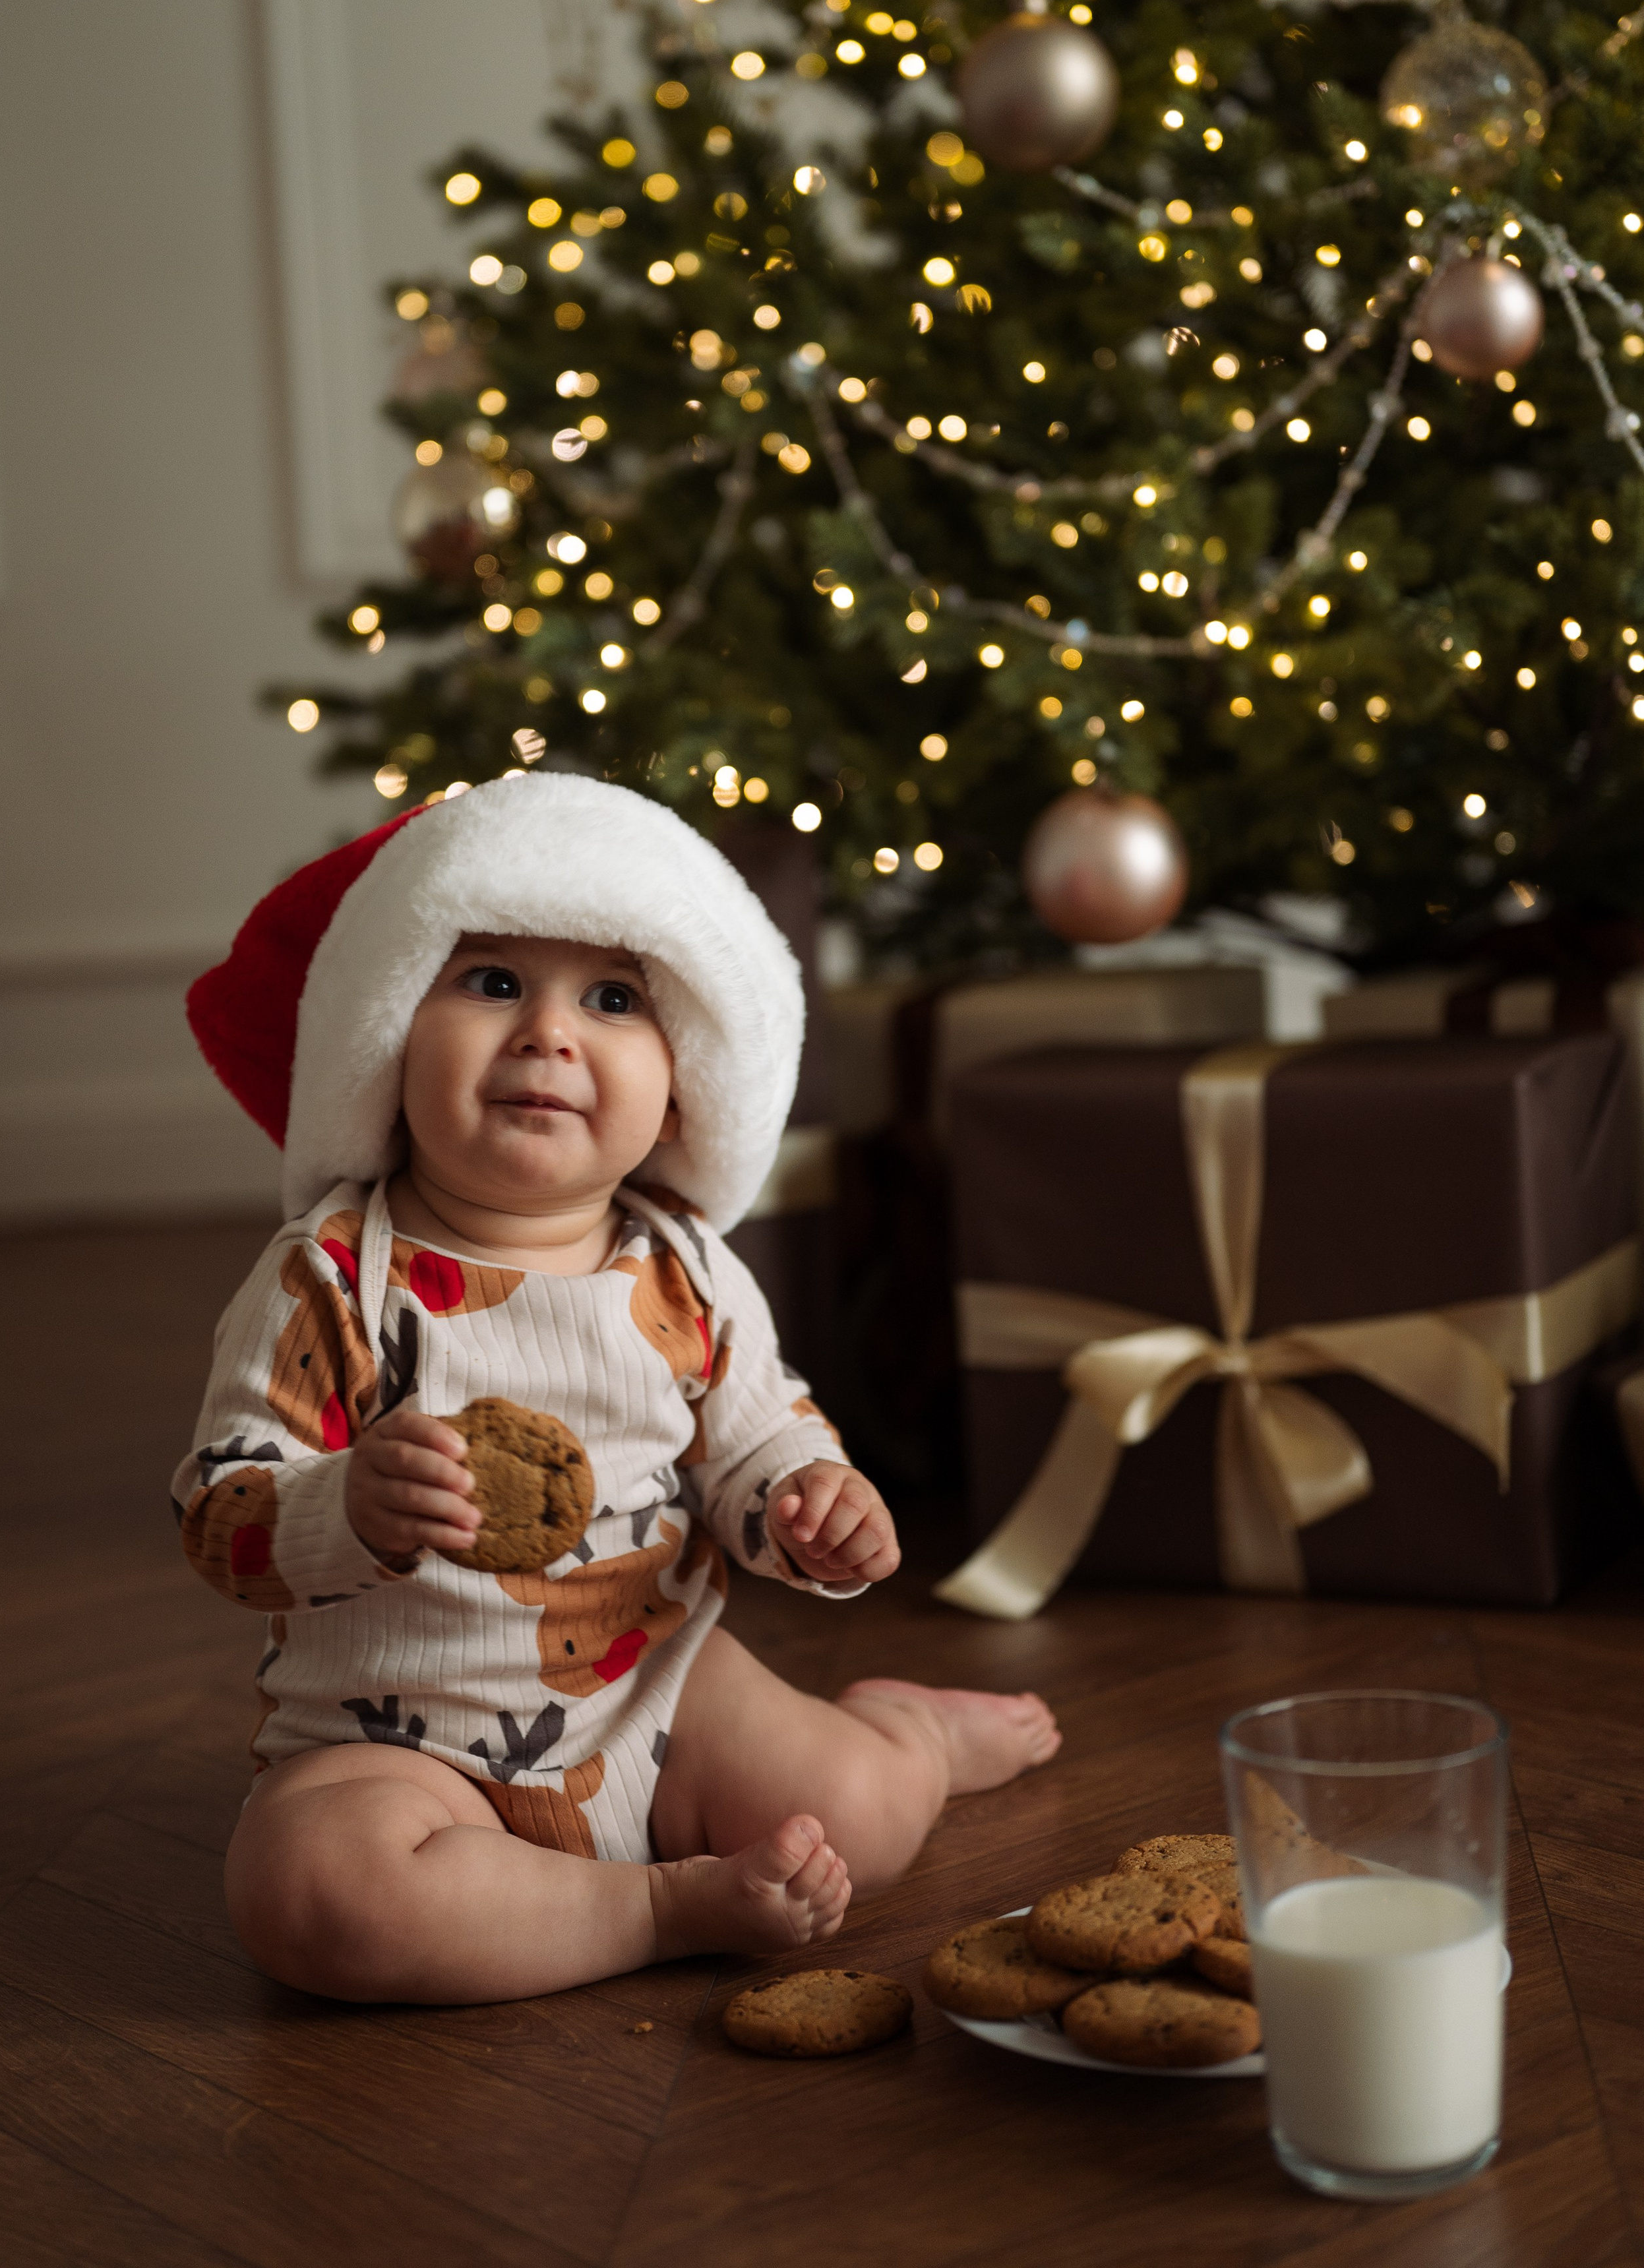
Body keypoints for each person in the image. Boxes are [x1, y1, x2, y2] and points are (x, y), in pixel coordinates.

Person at [179, 776, 1059, 2005]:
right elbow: (223, 1512)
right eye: (491, 982)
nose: (549, 1033)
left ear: (683, 1078)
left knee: (853, 1810)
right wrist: (342, 1505)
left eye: (612, 998)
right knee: (314, 1894)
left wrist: (810, 1502)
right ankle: (658, 1907)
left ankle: (910, 1734)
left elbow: (758, 1437)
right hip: (395, 1744)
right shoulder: (329, 1277)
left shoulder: (683, 1267)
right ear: (385, 1032)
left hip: (655, 1689)